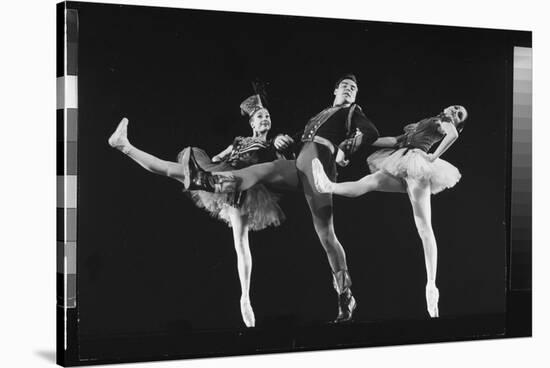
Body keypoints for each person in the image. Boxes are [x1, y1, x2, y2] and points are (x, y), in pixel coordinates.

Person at [180, 74, 379, 323]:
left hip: (319, 166)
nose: (349, 90)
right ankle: (208, 181)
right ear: (335, 90)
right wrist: (280, 140)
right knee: (259, 172)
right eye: (345, 86)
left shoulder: (352, 112)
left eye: (354, 88)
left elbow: (370, 132)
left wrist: (344, 149)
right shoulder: (322, 114)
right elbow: (298, 140)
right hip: (299, 163)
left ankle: (345, 294)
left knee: (326, 234)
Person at [107, 94, 293, 328]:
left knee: (241, 243)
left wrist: (281, 144)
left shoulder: (271, 143)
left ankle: (245, 296)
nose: (265, 119)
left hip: (244, 190)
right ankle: (124, 146)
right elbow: (217, 157)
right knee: (168, 169)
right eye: (259, 116)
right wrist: (216, 162)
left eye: (267, 116)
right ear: (252, 123)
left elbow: (281, 161)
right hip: (220, 179)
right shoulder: (238, 141)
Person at [311, 105, 468, 318]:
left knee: (423, 226)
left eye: (460, 114)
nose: (455, 110)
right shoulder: (426, 123)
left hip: (418, 164)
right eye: (456, 107)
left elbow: (452, 135)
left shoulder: (444, 124)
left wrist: (433, 156)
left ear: (458, 122)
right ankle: (328, 186)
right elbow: (395, 141)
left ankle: (431, 285)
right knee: (370, 181)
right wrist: (366, 139)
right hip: (400, 158)